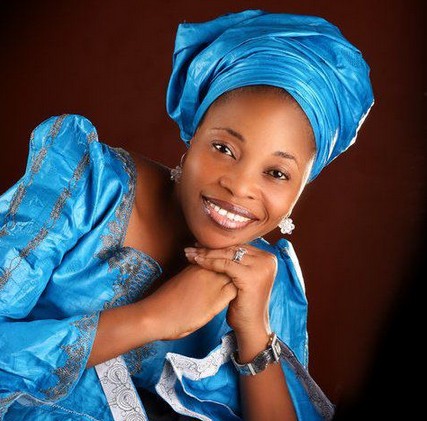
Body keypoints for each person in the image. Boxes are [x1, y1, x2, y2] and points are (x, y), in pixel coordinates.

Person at [0, 9, 373, 421]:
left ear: (300, 189)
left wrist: (253, 332)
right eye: (224, 148)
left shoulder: (269, 281)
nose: (239, 187)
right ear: (194, 133)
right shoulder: (85, 184)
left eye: (277, 173)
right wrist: (151, 319)